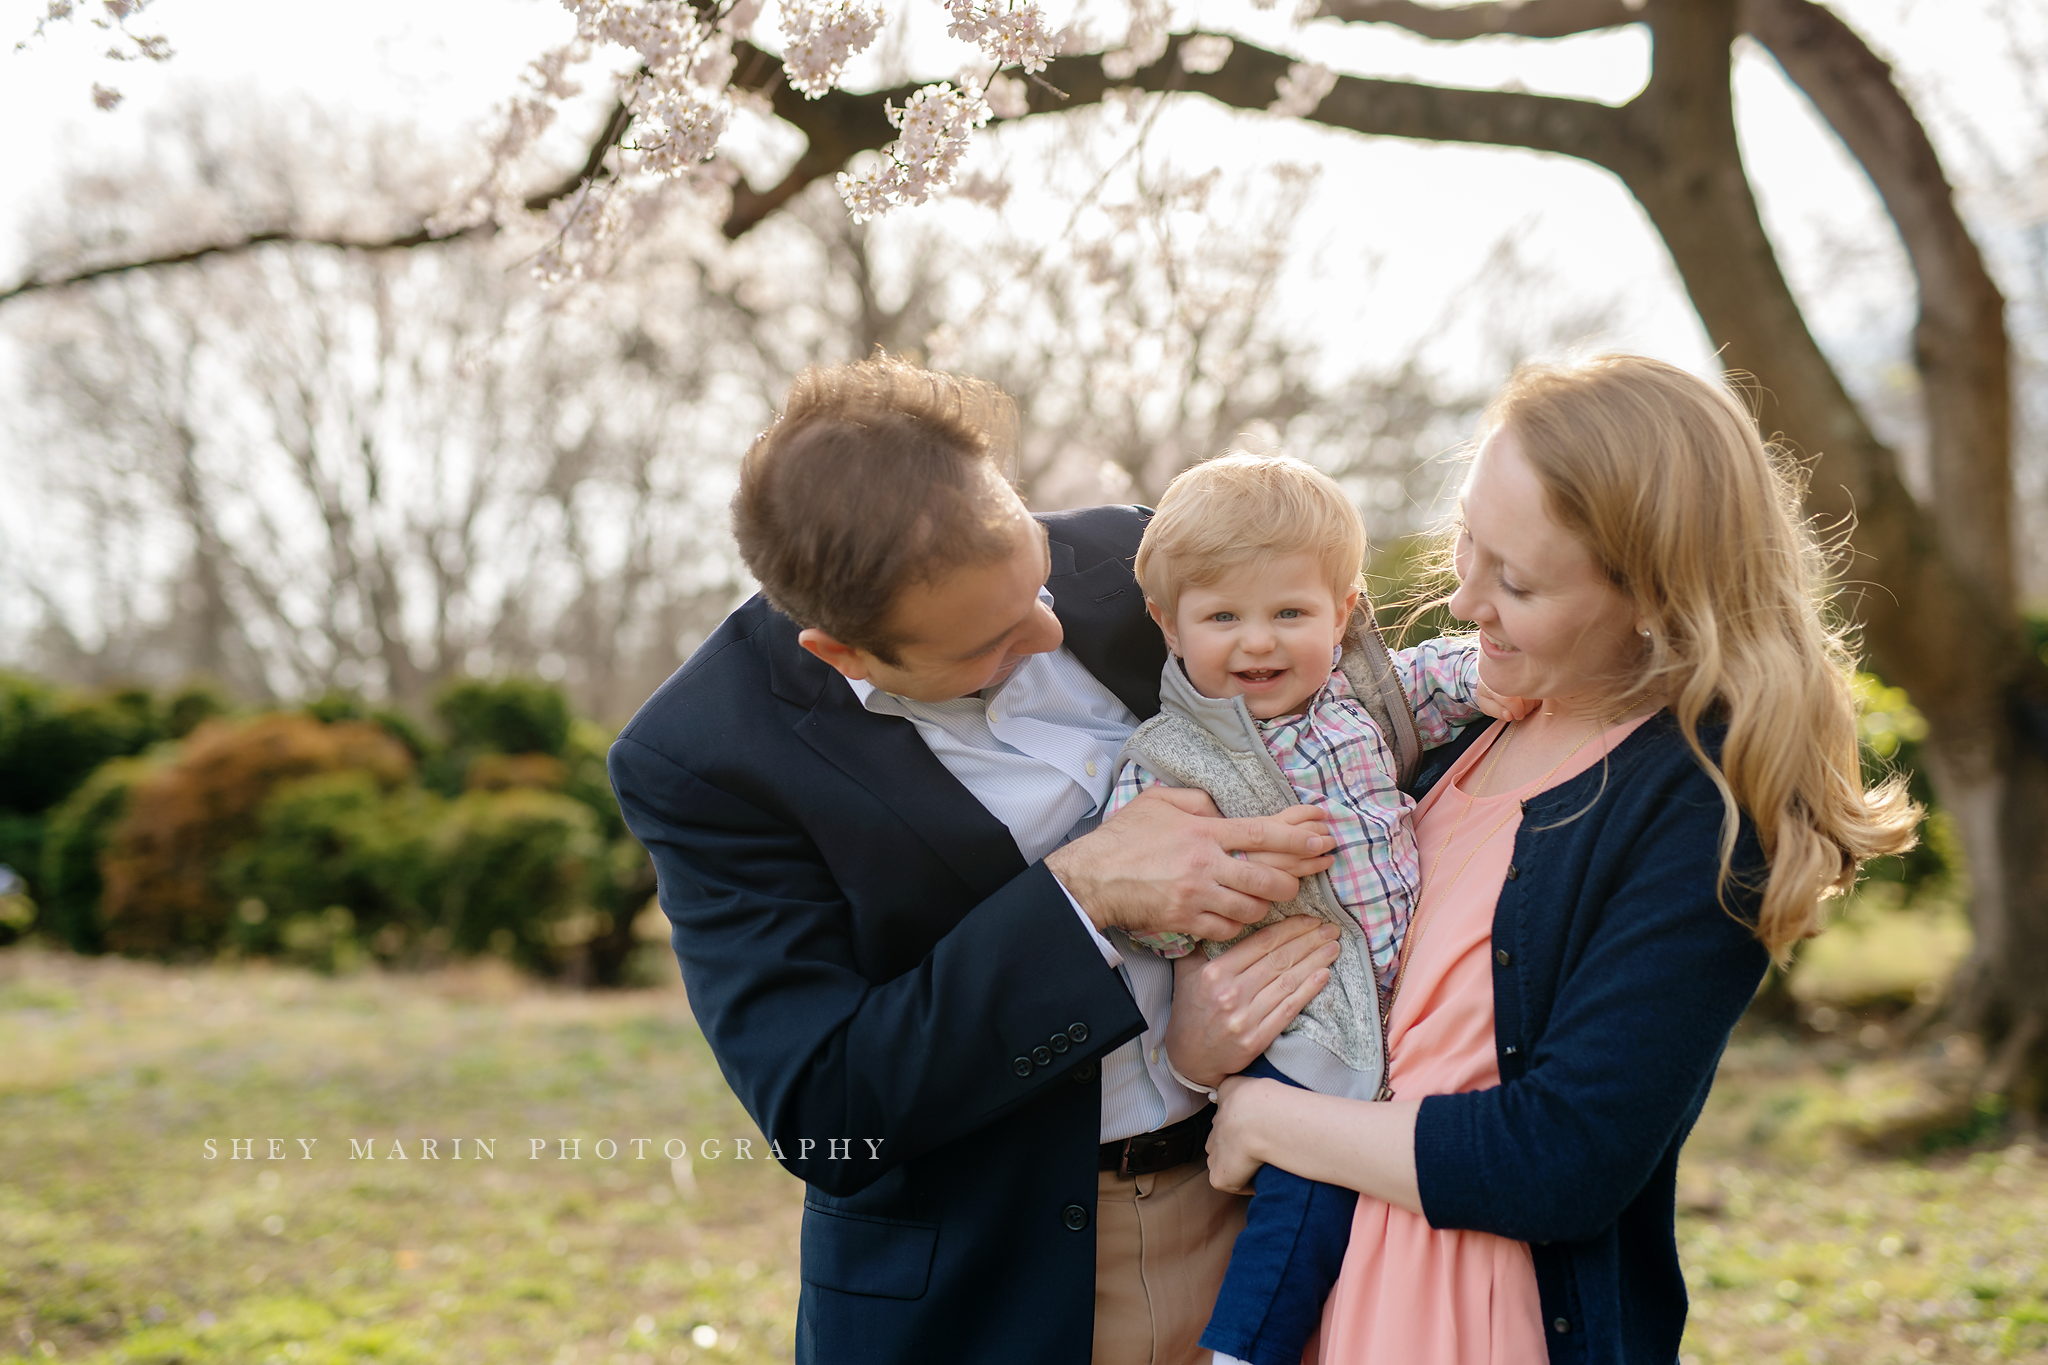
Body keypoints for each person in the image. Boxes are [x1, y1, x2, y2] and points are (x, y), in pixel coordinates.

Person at [607, 354, 1346, 1365]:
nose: (1047, 630)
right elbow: (827, 1108)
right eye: (989, 643)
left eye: (1034, 582)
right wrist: (1078, 894)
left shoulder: (1144, 557)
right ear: (844, 653)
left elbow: (1355, 727)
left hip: (1273, 1214)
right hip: (990, 1293)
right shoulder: (704, 757)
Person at [1184, 354, 1921, 1363]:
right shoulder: (1446, 730)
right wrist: (1200, 1040)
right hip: (1308, 1292)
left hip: (1467, 1323)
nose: (1461, 601)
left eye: (1516, 581)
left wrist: (1267, 1118)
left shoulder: (1699, 811)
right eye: (1466, 545)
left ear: (1657, 600)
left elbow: (1561, 1160)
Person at [1103, 452, 1523, 1365]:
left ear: (1342, 612)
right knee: (1307, 1200)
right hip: (1309, 1025)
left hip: (1413, 1023)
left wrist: (1497, 683)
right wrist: (1220, 890)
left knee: (1393, 1206)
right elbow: (1141, 911)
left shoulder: (1363, 701)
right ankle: (1242, 1349)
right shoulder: (1169, 761)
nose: (1258, 643)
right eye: (1223, 617)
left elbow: (1442, 676)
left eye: (1290, 613)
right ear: (1168, 624)